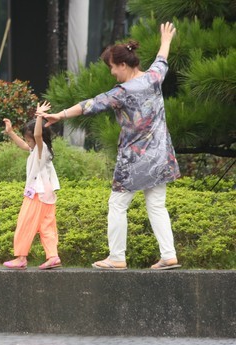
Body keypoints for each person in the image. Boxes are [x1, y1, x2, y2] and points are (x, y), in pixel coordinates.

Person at [42, 22, 180, 270]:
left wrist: (60, 115)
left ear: (124, 65)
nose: (112, 73)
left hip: (134, 160)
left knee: (117, 204)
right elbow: (162, 59)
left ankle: (117, 257)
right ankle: (168, 254)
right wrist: (166, 39)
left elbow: (90, 104)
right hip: (160, 155)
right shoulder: (153, 78)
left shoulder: (122, 92)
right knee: (157, 204)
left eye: (113, 68)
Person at [2, 101, 62, 270]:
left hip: (37, 193)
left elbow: (37, 136)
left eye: (29, 139)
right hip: (48, 195)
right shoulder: (38, 150)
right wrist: (11, 132)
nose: (28, 142)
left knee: (25, 223)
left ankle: (21, 257)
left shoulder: (41, 149)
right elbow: (24, 145)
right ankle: (53, 256)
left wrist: (38, 116)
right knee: (47, 226)